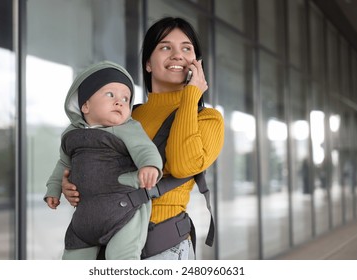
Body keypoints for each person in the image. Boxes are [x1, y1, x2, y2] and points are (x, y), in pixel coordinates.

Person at [62, 17, 224, 260]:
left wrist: (191, 95)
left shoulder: (207, 119)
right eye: (165, 47)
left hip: (161, 248)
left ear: (196, 64)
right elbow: (94, 159)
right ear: (148, 63)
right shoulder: (125, 116)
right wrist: (73, 184)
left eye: (186, 48)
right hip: (104, 244)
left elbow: (182, 164)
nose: (177, 55)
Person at [44, 60, 163, 260]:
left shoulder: (129, 128)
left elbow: (144, 148)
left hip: (123, 213)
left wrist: (150, 166)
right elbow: (63, 165)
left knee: (122, 260)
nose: (120, 102)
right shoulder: (71, 135)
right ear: (85, 105)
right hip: (84, 219)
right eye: (110, 95)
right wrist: (53, 189)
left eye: (126, 99)